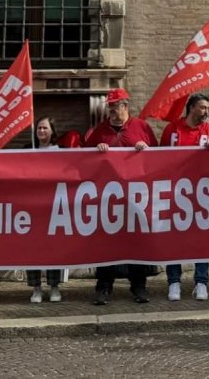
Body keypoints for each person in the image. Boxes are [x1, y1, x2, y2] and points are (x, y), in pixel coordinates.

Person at [85, 88, 157, 305]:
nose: (111, 112)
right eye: (110, 108)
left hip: (136, 196)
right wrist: (95, 151)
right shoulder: (100, 131)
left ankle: (139, 287)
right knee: (106, 244)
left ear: (125, 107)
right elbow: (84, 158)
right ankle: (104, 287)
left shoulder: (142, 128)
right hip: (109, 198)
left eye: (114, 107)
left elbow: (159, 157)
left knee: (137, 242)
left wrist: (147, 150)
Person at [160, 93, 209, 301]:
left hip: (200, 194)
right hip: (175, 192)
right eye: (202, 108)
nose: (206, 112)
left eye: (207, 108)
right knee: (173, 238)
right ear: (191, 108)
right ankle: (174, 281)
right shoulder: (172, 130)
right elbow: (159, 158)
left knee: (200, 239)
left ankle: (201, 282)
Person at [25, 116, 65, 303]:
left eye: (45, 128)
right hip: (31, 208)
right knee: (33, 250)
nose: (41, 131)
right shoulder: (26, 150)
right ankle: (36, 288)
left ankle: (54, 287)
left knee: (53, 249)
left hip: (53, 207)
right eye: (39, 128)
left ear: (52, 131)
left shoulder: (61, 152)